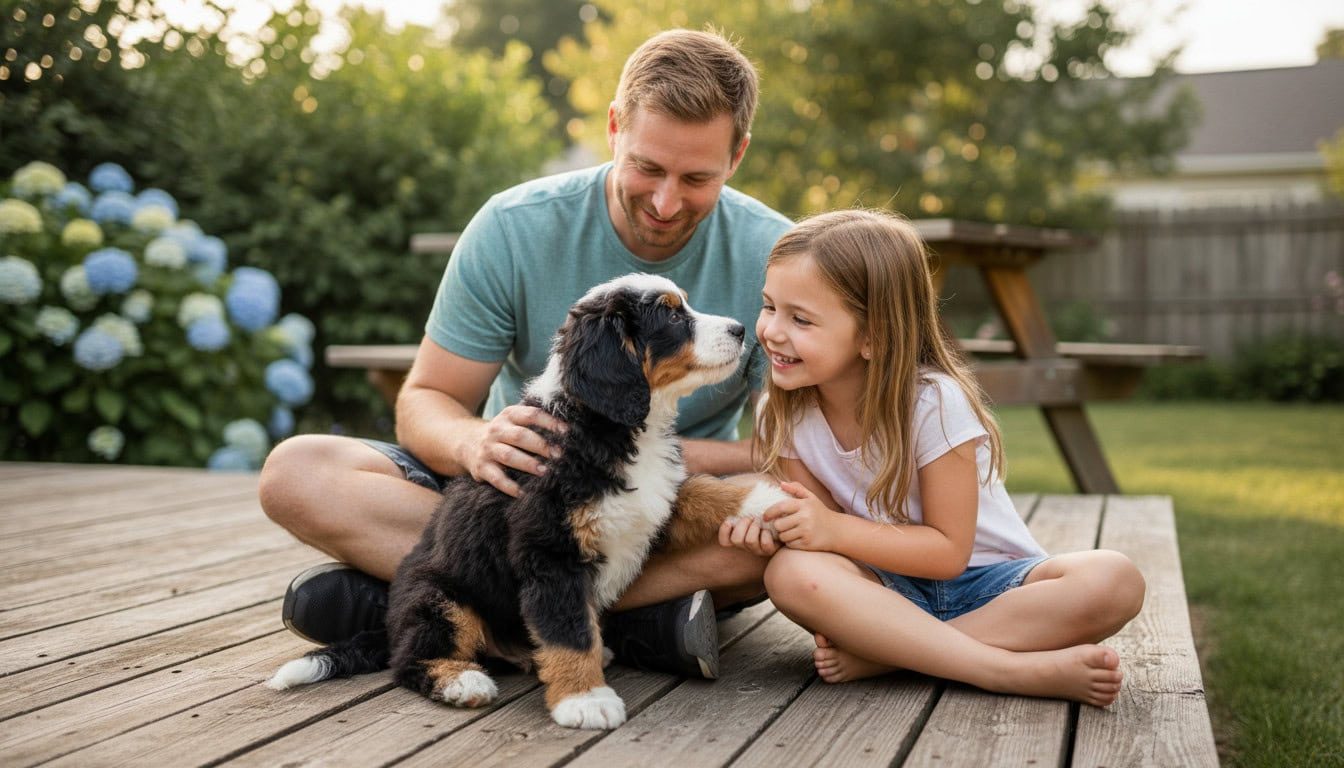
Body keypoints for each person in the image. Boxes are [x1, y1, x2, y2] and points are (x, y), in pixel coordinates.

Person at [258, 29, 792, 679]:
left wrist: (674, 462)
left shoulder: (780, 255)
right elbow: (427, 400)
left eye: (697, 178)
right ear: (614, 128)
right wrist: (474, 443)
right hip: (509, 504)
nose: (665, 201)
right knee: (297, 471)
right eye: (648, 167)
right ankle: (631, 621)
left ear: (737, 155)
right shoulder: (512, 227)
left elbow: (799, 450)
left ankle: (436, 608)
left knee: (785, 519)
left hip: (668, 515)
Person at [719, 209, 1146, 706]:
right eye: (769, 306)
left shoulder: (933, 403)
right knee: (789, 573)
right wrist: (769, 523)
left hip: (993, 583)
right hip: (883, 591)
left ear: (873, 336)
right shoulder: (781, 412)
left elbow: (947, 554)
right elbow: (819, 536)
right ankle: (1004, 669)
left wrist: (830, 531)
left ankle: (896, 656)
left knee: (1115, 579)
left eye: (801, 319)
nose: (770, 331)